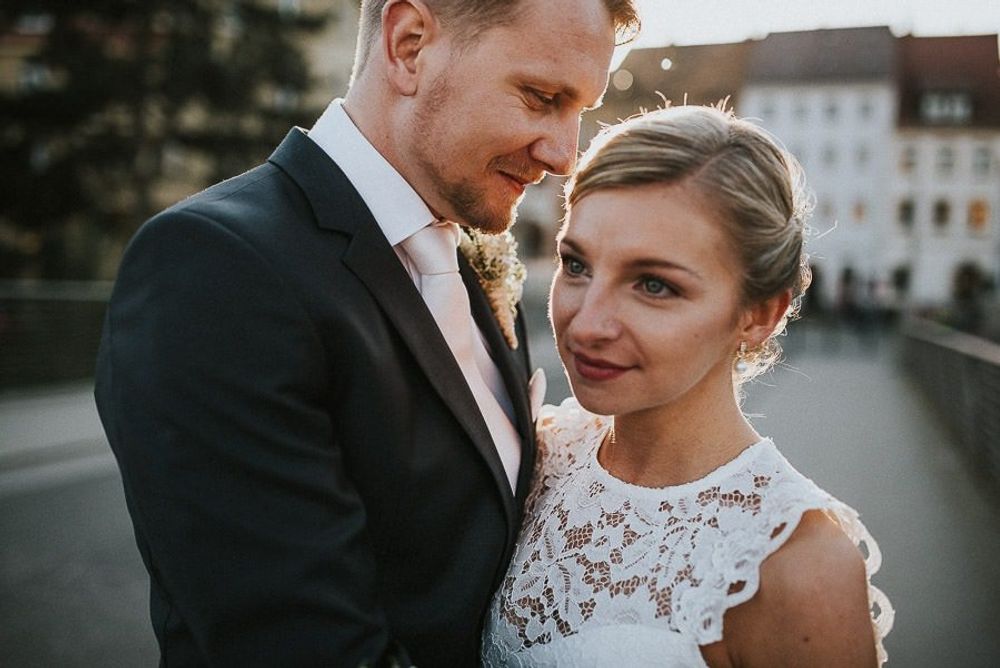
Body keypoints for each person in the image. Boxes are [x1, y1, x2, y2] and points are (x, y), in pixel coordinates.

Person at [94, 0, 638, 665]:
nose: (564, 155)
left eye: (579, 110)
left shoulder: (467, 249)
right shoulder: (217, 265)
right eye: (542, 97)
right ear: (409, 46)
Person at [483, 105, 894, 666]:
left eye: (653, 285)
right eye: (576, 266)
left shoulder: (797, 565)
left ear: (758, 314)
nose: (587, 323)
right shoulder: (544, 451)